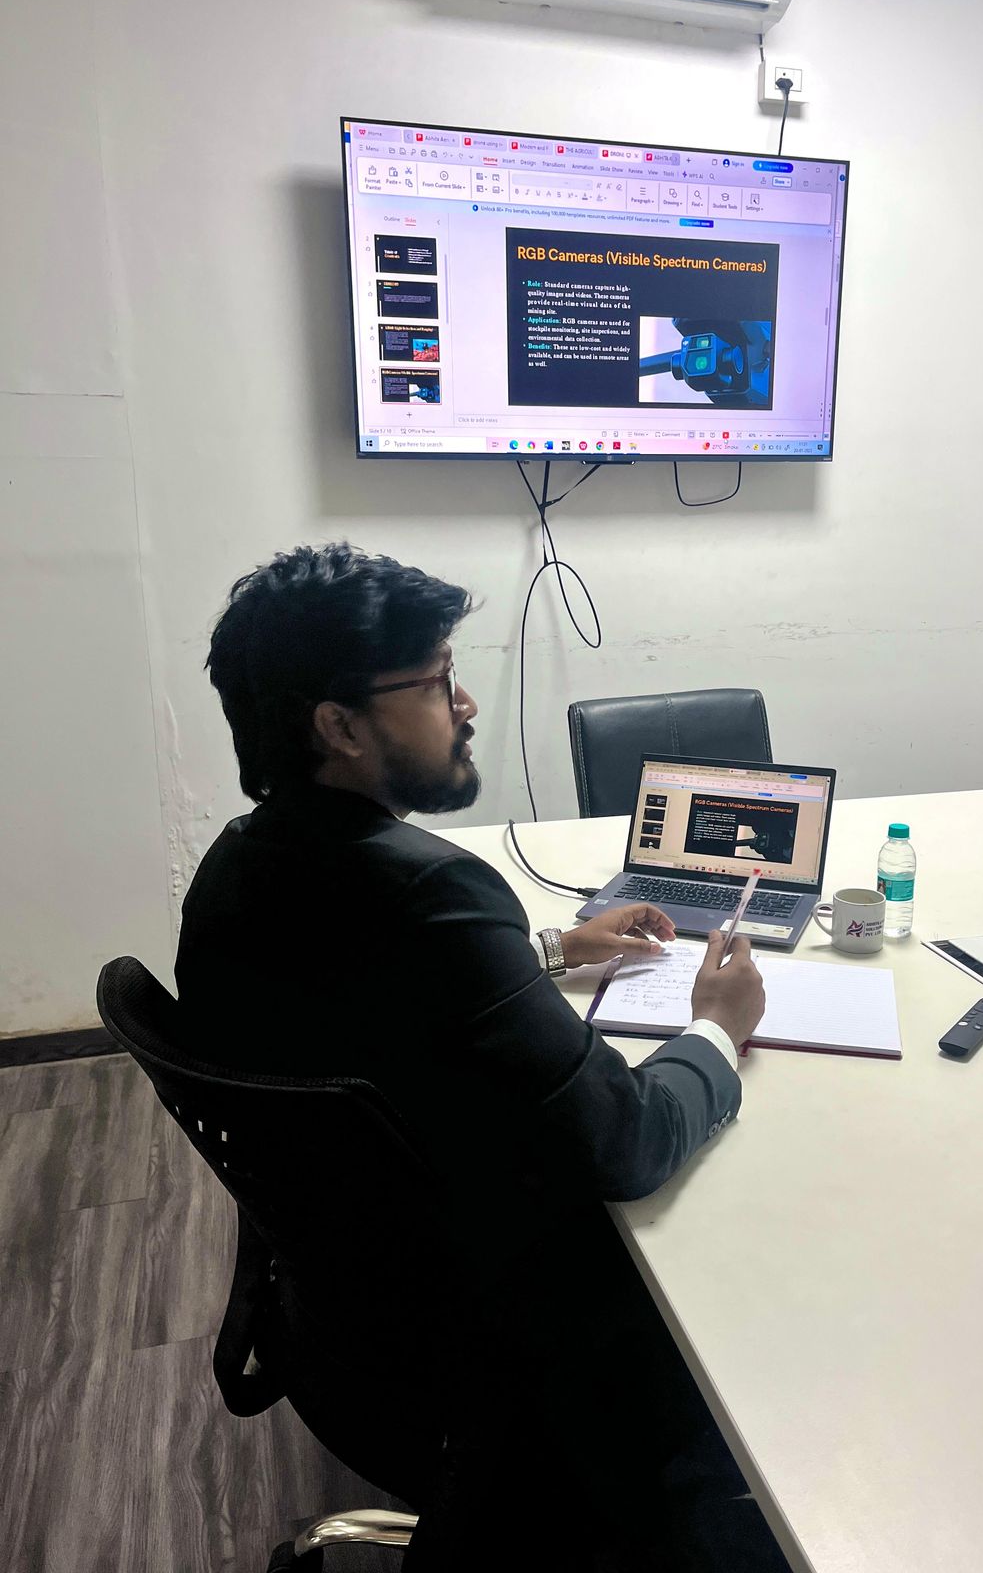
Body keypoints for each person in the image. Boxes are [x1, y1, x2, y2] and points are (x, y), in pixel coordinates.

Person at [175, 543, 785, 1571]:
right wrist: (717, 1026)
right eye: (435, 680)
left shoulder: (238, 869)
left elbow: (369, 999)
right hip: (506, 1346)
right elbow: (628, 1144)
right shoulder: (431, 893)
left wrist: (546, 950)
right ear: (338, 726)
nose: (463, 705)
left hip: (345, 1324)